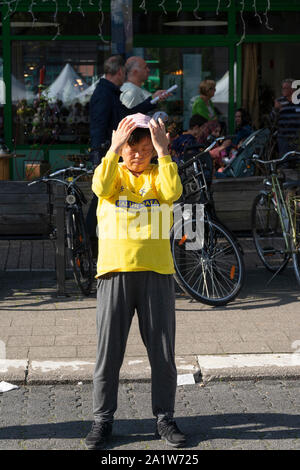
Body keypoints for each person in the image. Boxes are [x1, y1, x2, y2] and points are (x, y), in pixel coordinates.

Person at [85, 113, 186, 450]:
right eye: (133, 149)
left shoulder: (160, 175)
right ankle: (102, 420)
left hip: (156, 272)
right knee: (108, 353)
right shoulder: (113, 176)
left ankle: (165, 418)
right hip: (114, 271)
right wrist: (114, 148)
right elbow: (98, 186)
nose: (139, 156)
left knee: (162, 352)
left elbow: (174, 192)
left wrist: (164, 150)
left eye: (146, 149)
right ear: (122, 149)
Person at [87, 55, 167, 256]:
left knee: (103, 197)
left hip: (110, 152)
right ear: (121, 72)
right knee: (101, 198)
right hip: (108, 153)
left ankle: (97, 242)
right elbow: (99, 126)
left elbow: (126, 115)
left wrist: (152, 101)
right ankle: (93, 244)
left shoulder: (109, 92)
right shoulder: (104, 94)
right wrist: (100, 156)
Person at [271, 78, 300, 159]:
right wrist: (276, 109)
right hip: (283, 138)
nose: (283, 90)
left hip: (297, 138)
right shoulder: (279, 101)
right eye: (282, 88)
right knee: (284, 161)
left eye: (285, 88)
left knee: (297, 161)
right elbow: (272, 119)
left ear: (293, 89)